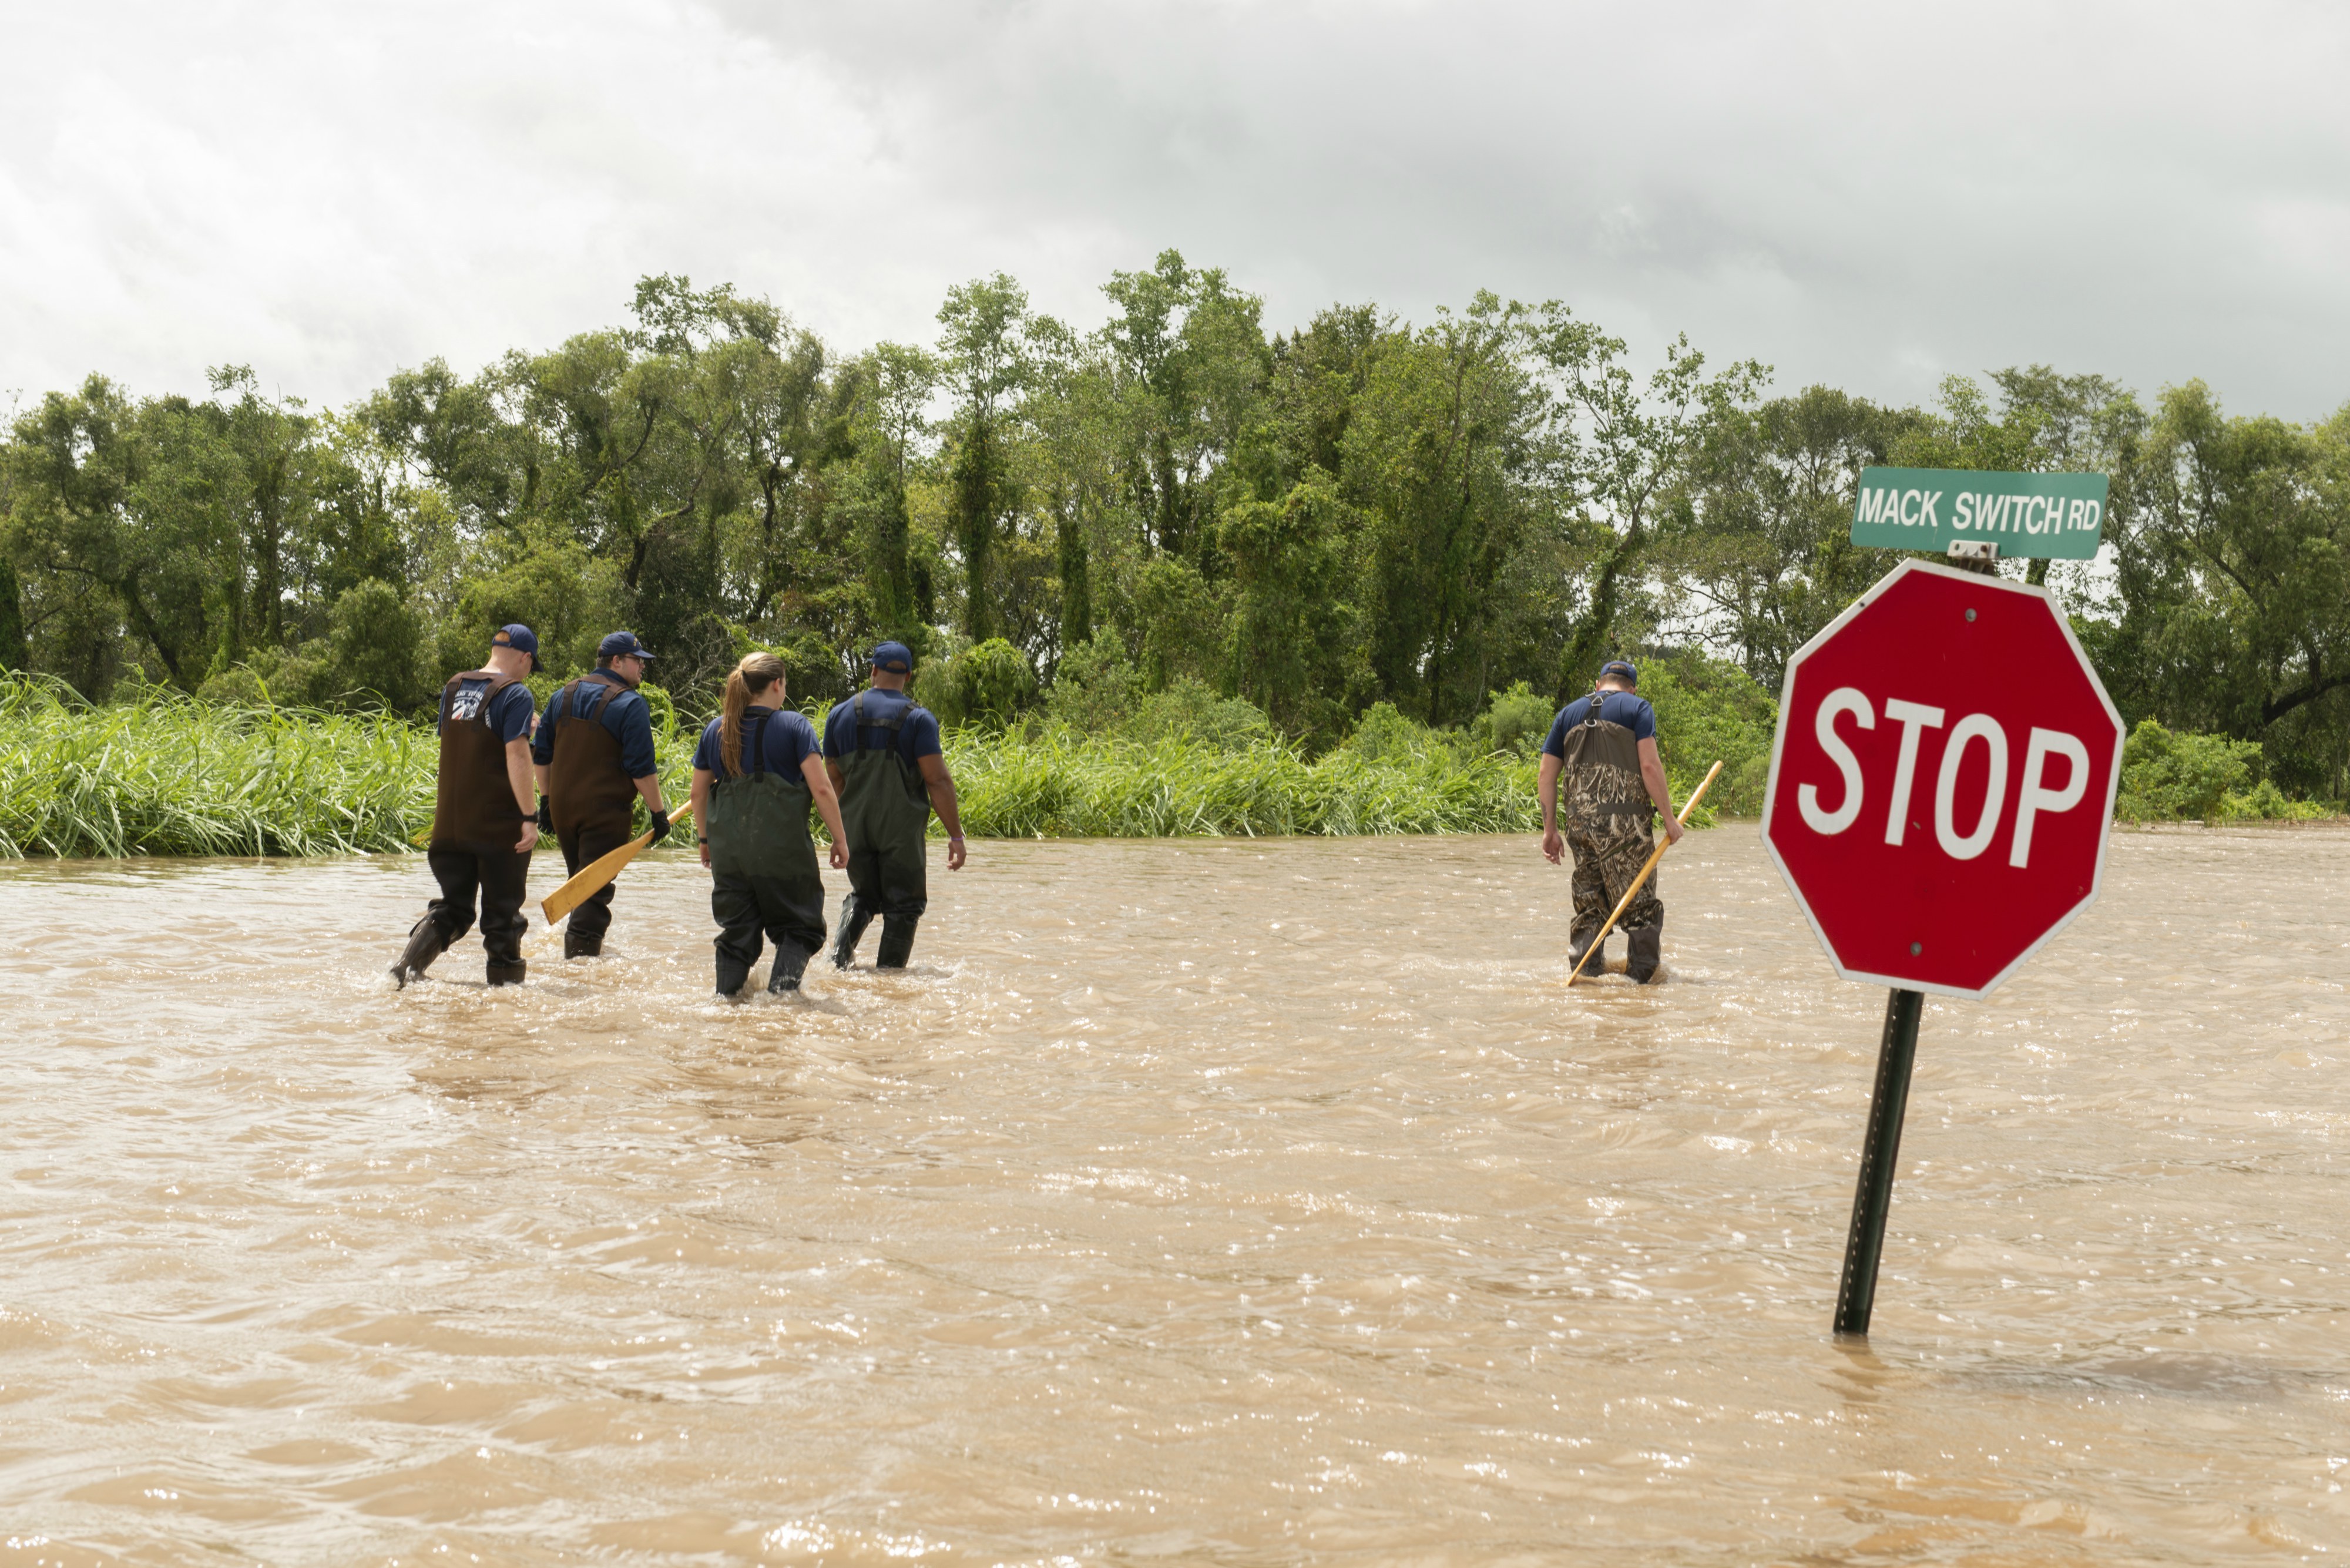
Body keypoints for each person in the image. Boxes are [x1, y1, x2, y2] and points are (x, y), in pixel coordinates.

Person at [689, 652, 850, 998]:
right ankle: (780, 1001)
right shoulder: (794, 726)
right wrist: (839, 839)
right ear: (777, 685)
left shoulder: (716, 730)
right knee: (800, 928)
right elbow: (821, 788)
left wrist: (705, 839)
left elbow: (698, 793)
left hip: (729, 855)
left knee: (736, 934)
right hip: (782, 853)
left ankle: (724, 1005)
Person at [390, 624, 543, 988]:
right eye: (530, 666)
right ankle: (505, 1003)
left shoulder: (453, 686)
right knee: (502, 917)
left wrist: (523, 729)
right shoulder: (516, 694)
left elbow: (466, 743)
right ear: (525, 658)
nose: (528, 673)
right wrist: (529, 816)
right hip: (496, 826)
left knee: (454, 909)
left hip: (449, 826)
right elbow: (516, 754)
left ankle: (404, 971)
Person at [1538, 659, 1683, 985]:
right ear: (1631, 688)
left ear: (1598, 684)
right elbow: (1649, 766)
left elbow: (1546, 774)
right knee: (1640, 908)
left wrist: (1550, 832)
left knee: (1589, 907)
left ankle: (1587, 982)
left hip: (1580, 829)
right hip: (1625, 830)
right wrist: (1669, 819)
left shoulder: (1567, 714)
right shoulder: (1638, 708)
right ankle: (1638, 990)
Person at [822, 640, 965, 969]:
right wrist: (956, 836)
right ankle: (889, 981)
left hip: (854, 826)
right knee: (904, 906)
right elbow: (937, 781)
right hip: (900, 830)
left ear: (873, 670)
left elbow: (834, 782)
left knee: (864, 895)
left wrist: (838, 833)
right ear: (909, 676)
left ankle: (838, 966)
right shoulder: (919, 719)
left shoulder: (839, 715)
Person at [532, 630, 672, 959]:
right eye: (638, 661)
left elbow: (542, 754)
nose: (642, 668)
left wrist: (547, 802)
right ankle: (581, 977)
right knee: (593, 893)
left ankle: (580, 957)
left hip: (563, 811)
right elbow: (641, 768)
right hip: (604, 812)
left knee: (579, 885)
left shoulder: (561, 696)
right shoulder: (630, 704)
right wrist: (658, 813)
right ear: (616, 661)